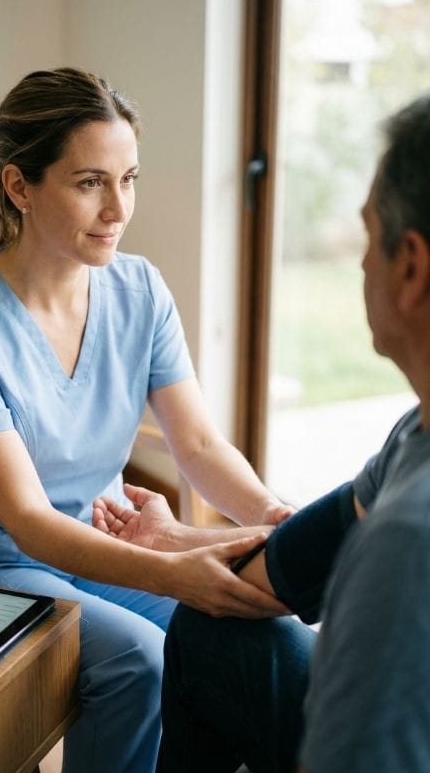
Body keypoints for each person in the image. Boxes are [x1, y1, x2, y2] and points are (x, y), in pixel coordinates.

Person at [0, 67, 294, 773]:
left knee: (243, 641)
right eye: (90, 183)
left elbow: (199, 445)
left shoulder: (140, 289)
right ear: (20, 187)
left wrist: (271, 513)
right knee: (139, 660)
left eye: (129, 179)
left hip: (100, 541)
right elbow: (25, 518)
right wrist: (168, 571)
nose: (119, 208)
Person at [93, 93, 430, 773]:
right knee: (210, 628)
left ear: (411, 267)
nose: (359, 263)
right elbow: (304, 553)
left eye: (367, 237)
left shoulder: (405, 547)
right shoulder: (412, 438)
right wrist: (172, 543)